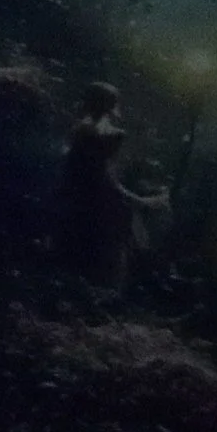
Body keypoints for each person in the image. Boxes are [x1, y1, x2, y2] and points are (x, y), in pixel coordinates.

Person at [56, 81, 166, 289]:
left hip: (79, 207)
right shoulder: (103, 137)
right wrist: (143, 202)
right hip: (96, 212)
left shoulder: (78, 134)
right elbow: (106, 180)